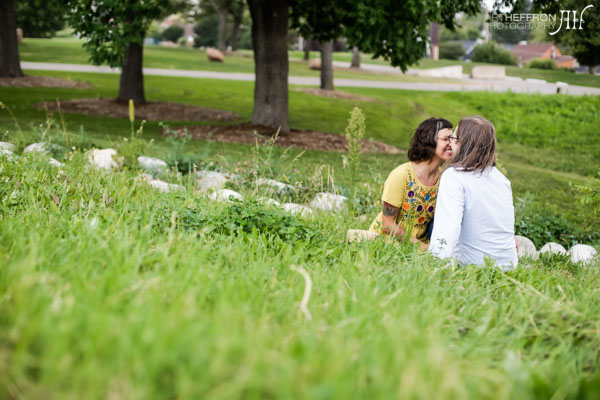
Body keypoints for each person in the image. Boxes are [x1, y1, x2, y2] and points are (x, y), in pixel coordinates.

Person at [429, 115, 518, 269]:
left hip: (472, 266)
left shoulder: (454, 176)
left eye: (454, 138)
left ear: (463, 144)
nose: (451, 142)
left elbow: (448, 228)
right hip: (508, 266)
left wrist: (433, 266)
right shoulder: (502, 180)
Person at [369, 117, 455, 248]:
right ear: (429, 141)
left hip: (419, 247)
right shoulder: (401, 175)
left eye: (453, 139)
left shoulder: (444, 177)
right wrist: (421, 247)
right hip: (386, 245)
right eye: (445, 139)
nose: (451, 144)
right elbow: (387, 224)